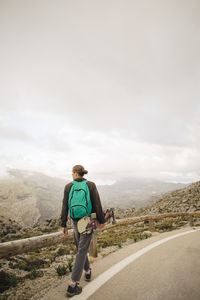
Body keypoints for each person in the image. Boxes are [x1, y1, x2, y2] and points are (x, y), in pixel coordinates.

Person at [61, 164, 106, 297]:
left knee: (80, 249)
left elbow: (65, 205)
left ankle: (73, 284)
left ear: (75, 173)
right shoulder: (90, 185)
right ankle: (85, 272)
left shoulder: (68, 186)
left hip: (75, 221)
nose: (72, 174)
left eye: (72, 172)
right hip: (87, 221)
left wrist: (63, 224)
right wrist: (101, 220)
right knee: (81, 249)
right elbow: (97, 203)